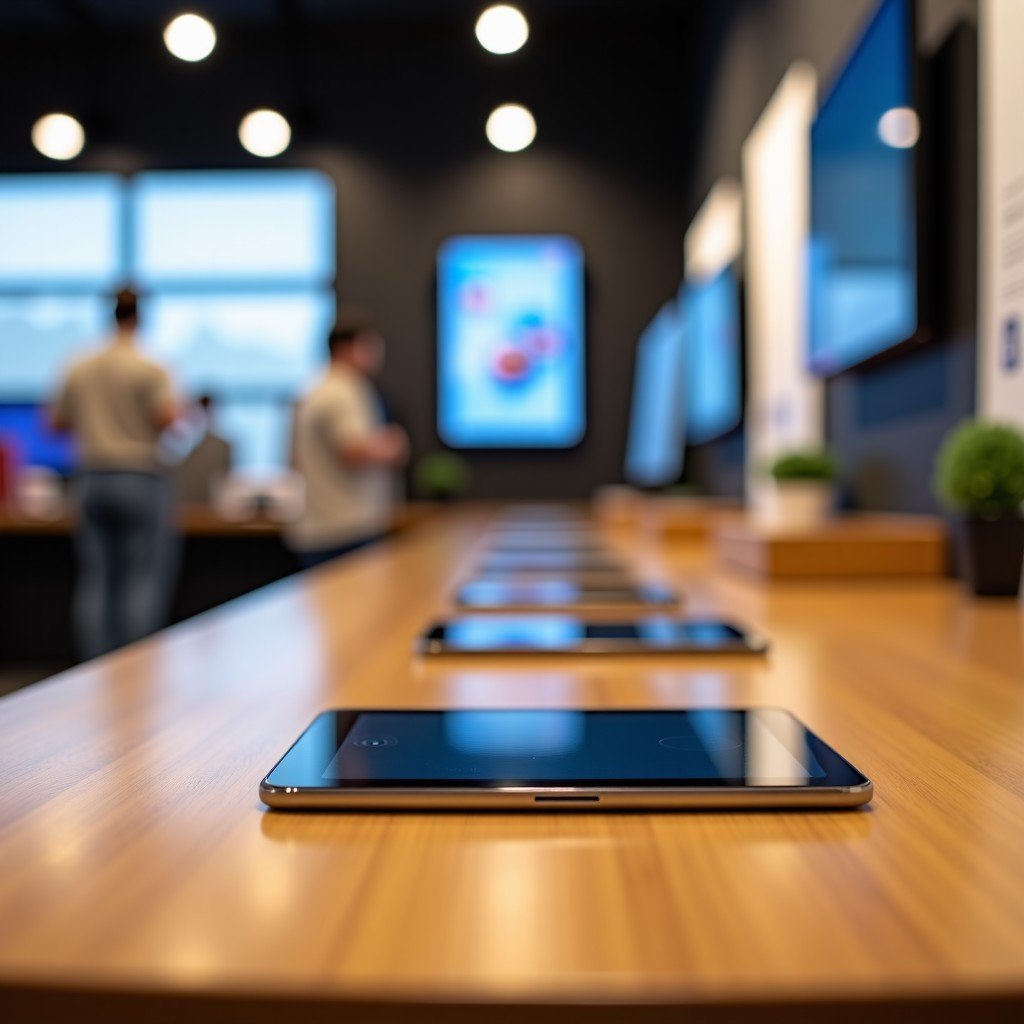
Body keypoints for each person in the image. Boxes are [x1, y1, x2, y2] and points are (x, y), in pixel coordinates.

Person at [51, 289, 179, 659]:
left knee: (97, 580)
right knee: (141, 579)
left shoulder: (78, 364)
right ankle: (134, 670)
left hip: (91, 476)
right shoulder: (150, 366)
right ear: (140, 317)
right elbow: (167, 419)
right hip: (139, 476)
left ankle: (96, 668)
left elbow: (55, 421)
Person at [287, 314, 409, 568]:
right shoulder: (344, 391)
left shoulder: (315, 389)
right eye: (369, 346)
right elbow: (352, 451)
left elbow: (293, 459)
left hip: (322, 528)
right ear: (347, 349)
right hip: (345, 531)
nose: (377, 354)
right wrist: (393, 445)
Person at [173, 394, 233, 506]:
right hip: (182, 505)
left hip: (210, 507)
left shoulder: (224, 446)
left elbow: (226, 481)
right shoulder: (179, 443)